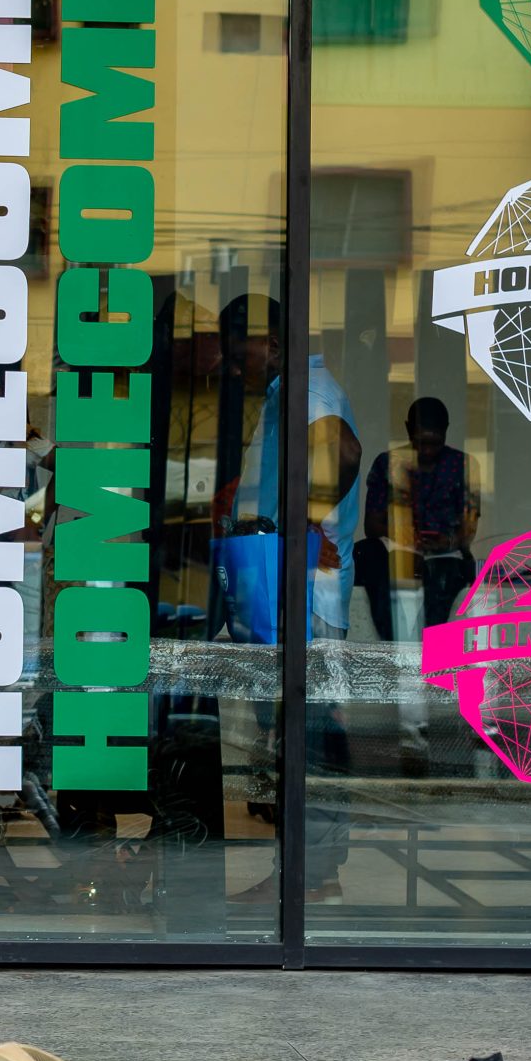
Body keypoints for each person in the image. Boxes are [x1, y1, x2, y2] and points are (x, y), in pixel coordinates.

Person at [218, 293, 361, 905]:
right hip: (286, 587)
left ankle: (312, 877)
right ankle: (307, 875)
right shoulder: (287, 393)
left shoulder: (311, 393)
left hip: (306, 596)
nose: (234, 366)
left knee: (311, 734)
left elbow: (343, 453)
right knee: (294, 733)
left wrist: (303, 526)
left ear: (273, 344)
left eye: (240, 352)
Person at [362, 396, 480, 634]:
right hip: (395, 549)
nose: (427, 451)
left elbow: (468, 530)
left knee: (443, 581)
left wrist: (447, 541)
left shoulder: (463, 465)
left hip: (447, 555)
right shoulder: (387, 464)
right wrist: (403, 536)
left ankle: (423, 644)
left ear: (446, 432)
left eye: (435, 443)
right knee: (374, 565)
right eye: (420, 442)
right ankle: (395, 643)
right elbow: (371, 526)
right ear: (408, 430)